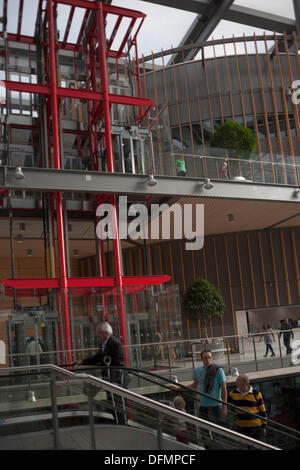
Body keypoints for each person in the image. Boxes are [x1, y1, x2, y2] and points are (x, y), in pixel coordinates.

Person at [74, 322, 128, 425]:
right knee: (111, 402)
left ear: (106, 333)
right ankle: (116, 422)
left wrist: (116, 381)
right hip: (108, 379)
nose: (97, 334)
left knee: (118, 404)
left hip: (116, 381)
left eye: (99, 332)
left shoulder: (115, 344)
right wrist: (83, 361)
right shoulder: (103, 343)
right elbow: (98, 357)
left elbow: (120, 364)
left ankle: (122, 424)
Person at [171, 349, 227, 425]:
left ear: (212, 358)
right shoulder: (198, 370)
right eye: (205, 358)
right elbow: (194, 385)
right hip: (203, 405)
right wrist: (179, 389)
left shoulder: (219, 370)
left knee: (216, 432)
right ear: (201, 359)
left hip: (215, 405)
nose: (207, 360)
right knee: (204, 430)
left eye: (209, 357)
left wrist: (224, 407)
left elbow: (224, 389)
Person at [228, 374, 267, 442]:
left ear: (245, 383)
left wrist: (264, 427)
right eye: (237, 381)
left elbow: (263, 411)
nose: (236, 382)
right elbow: (224, 401)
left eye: (238, 381)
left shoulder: (256, 393)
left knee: (258, 446)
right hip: (241, 427)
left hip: (255, 428)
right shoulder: (233, 393)